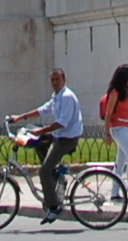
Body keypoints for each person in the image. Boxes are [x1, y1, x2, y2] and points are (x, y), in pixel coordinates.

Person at [20, 69, 83, 224]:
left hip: (67, 139)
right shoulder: (57, 96)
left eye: (57, 79)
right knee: (38, 144)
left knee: (43, 172)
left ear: (64, 80)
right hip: (58, 136)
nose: (54, 83)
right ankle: (56, 179)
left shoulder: (67, 97)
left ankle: (54, 207)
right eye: (52, 80)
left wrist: (41, 130)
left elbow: (62, 122)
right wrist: (20, 117)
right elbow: (44, 109)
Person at [98, 64, 128, 193]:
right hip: (118, 128)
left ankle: (115, 192)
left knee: (121, 161)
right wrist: (107, 133)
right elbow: (108, 114)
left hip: (126, 128)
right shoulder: (115, 92)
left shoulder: (127, 91)